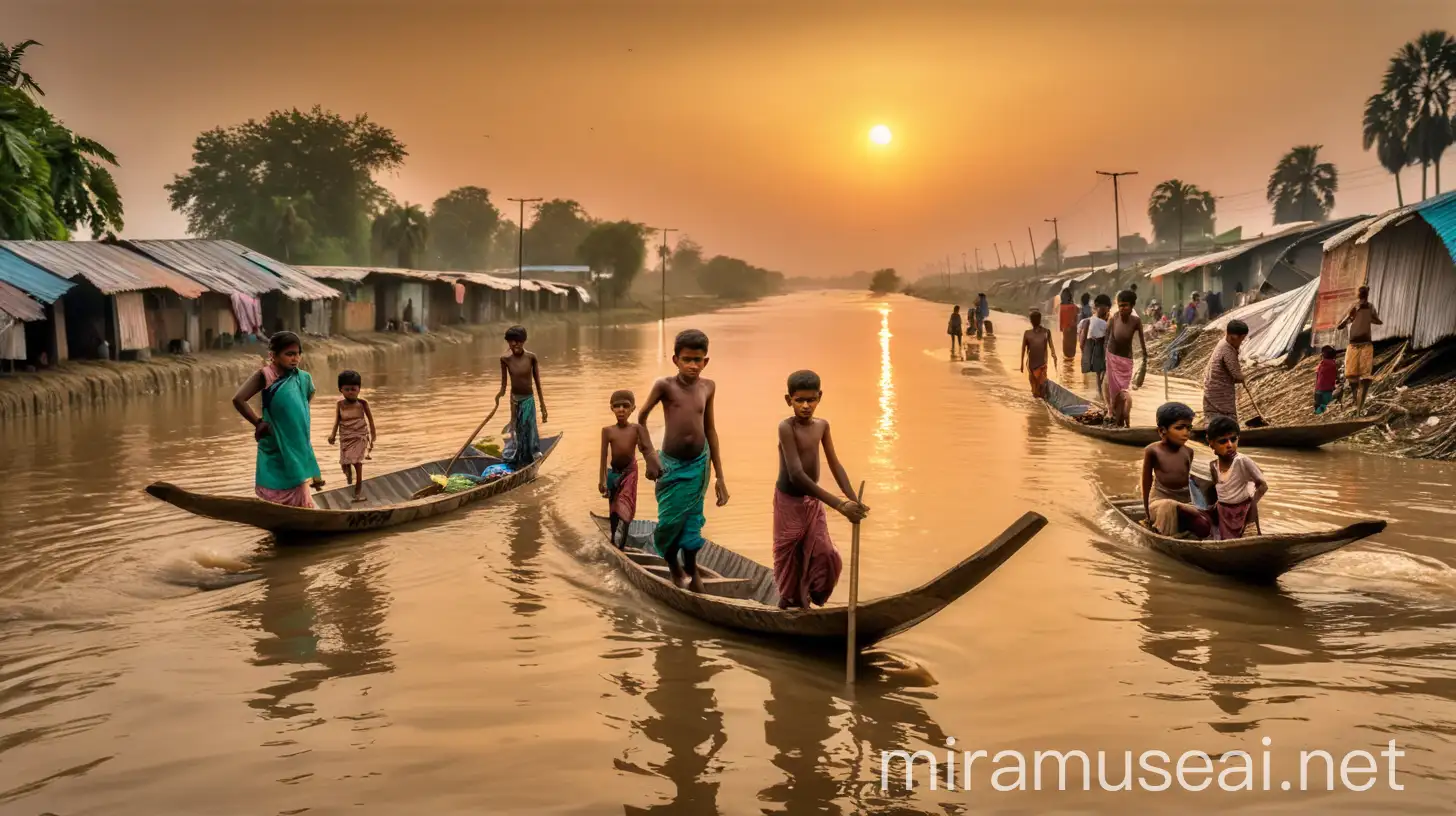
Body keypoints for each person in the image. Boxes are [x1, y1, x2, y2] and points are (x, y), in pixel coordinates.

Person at [638, 329, 729, 592]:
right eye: (687, 359)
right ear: (675, 359)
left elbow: (710, 430)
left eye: (698, 360)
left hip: (699, 465)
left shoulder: (708, 387)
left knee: (691, 524)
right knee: (668, 524)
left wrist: (719, 477)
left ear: (706, 361)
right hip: (670, 466)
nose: (692, 365)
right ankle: (675, 569)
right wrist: (650, 457)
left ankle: (692, 568)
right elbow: (641, 419)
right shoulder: (664, 386)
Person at [774, 370, 868, 609]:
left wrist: (853, 499)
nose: (806, 406)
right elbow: (796, 475)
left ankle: (807, 600)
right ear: (789, 400)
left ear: (820, 397)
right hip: (789, 501)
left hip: (812, 501)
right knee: (792, 558)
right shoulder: (786, 428)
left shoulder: (822, 426)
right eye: (799, 400)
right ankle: (788, 605)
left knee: (826, 555)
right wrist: (838, 505)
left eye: (811, 400)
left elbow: (835, 464)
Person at [231, 331, 325, 507]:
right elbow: (239, 399)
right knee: (275, 484)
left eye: (297, 354)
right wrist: (258, 422)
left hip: (296, 441)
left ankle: (303, 514)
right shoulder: (265, 376)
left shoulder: (303, 378)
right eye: (289, 354)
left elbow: (303, 404)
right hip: (274, 440)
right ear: (273, 355)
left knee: (298, 482)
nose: (295, 358)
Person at [1140, 402, 1211, 538]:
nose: (1186, 433)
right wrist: (1146, 512)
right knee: (1168, 505)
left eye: (1189, 428)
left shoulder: (1188, 452)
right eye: (1179, 428)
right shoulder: (1152, 450)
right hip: (1160, 502)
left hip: (1185, 504)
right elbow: (1146, 482)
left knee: (1204, 528)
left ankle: (1184, 519)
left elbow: (1189, 482)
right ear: (1162, 431)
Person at [599, 389, 651, 548]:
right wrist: (602, 480)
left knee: (627, 508)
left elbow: (646, 449)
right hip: (614, 474)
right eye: (617, 406)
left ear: (633, 409)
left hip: (630, 473)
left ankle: (621, 544)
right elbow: (603, 458)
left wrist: (652, 466)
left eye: (625, 406)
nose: (621, 409)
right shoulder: (607, 431)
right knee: (614, 509)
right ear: (611, 408)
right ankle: (614, 537)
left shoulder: (636, 429)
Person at [1205, 415, 1267, 540]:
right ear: (1211, 443)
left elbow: (1263, 485)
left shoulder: (1242, 461)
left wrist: (1251, 506)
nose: (1230, 445)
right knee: (1222, 539)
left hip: (1243, 511)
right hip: (1224, 512)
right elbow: (1218, 489)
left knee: (1249, 541)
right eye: (1223, 441)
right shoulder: (1213, 466)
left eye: (1233, 439)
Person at [497, 325, 547, 468]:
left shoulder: (531, 358)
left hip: (528, 399)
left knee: (530, 428)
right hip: (514, 400)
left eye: (517, 341)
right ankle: (517, 455)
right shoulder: (505, 359)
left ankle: (533, 452)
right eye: (510, 342)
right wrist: (500, 394)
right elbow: (504, 384)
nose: (513, 345)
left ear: (523, 341)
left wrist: (543, 406)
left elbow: (538, 383)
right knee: (516, 428)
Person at [327, 369, 376, 503]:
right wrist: (332, 435)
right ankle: (349, 475)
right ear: (340, 390)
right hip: (345, 436)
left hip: (360, 435)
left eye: (354, 389)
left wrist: (373, 437)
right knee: (344, 464)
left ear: (359, 389)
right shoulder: (340, 404)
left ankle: (358, 491)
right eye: (347, 389)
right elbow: (337, 420)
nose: (351, 392)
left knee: (357, 462)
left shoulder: (363, 403)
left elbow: (370, 420)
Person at [1337, 286, 1382, 415]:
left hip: (1365, 345)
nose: (1362, 296)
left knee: (1365, 377)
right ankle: (1356, 401)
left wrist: (1370, 319)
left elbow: (1377, 321)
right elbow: (1341, 326)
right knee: (1351, 375)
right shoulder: (1354, 308)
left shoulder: (1370, 307)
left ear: (1365, 295)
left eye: (1363, 293)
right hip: (1354, 345)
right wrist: (1351, 317)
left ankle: (1359, 409)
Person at [1105, 290, 1146, 427]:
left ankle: (1124, 419)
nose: (1122, 308)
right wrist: (1105, 357)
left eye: (1125, 305)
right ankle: (1111, 412)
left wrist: (1144, 363)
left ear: (1132, 306)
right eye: (1120, 305)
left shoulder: (1136, 321)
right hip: (1112, 357)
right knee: (1110, 388)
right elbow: (1107, 338)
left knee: (1123, 391)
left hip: (1126, 361)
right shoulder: (1113, 318)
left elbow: (1142, 343)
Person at [1202, 319, 1249, 424]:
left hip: (1212, 392)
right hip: (1220, 396)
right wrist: (1244, 377)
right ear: (1235, 337)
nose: (1242, 342)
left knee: (1214, 421)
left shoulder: (1223, 343)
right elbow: (1236, 375)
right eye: (1242, 339)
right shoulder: (1227, 350)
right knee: (1225, 424)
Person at [1079, 293, 1111, 393]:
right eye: (1105, 308)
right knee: (1100, 375)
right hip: (1099, 352)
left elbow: (1081, 341)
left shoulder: (1086, 321)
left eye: (1108, 309)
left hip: (1092, 353)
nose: (1107, 311)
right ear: (1098, 307)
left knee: (1096, 377)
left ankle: (1098, 394)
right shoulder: (1104, 324)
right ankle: (1100, 395)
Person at [1020, 309, 1056, 398]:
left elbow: (1023, 350)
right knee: (1037, 387)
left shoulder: (1030, 333)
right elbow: (1052, 347)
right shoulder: (1045, 332)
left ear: (1031, 321)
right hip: (1037, 364)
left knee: (1037, 388)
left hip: (1037, 365)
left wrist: (1021, 364)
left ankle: (1039, 402)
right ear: (1040, 320)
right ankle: (1039, 404)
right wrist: (1054, 355)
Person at [1314, 345, 1338, 414]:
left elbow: (1317, 375)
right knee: (1326, 407)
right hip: (1329, 389)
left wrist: (1315, 389)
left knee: (1319, 408)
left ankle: (1318, 415)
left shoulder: (1322, 364)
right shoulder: (1334, 364)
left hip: (1319, 389)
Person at [1058, 289, 1079, 360]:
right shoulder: (1074, 307)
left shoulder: (1061, 307)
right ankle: (1071, 367)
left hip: (1065, 329)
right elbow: (1076, 317)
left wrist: (1061, 328)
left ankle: (1067, 367)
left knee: (1066, 351)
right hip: (1073, 329)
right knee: (1072, 350)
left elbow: (1061, 318)